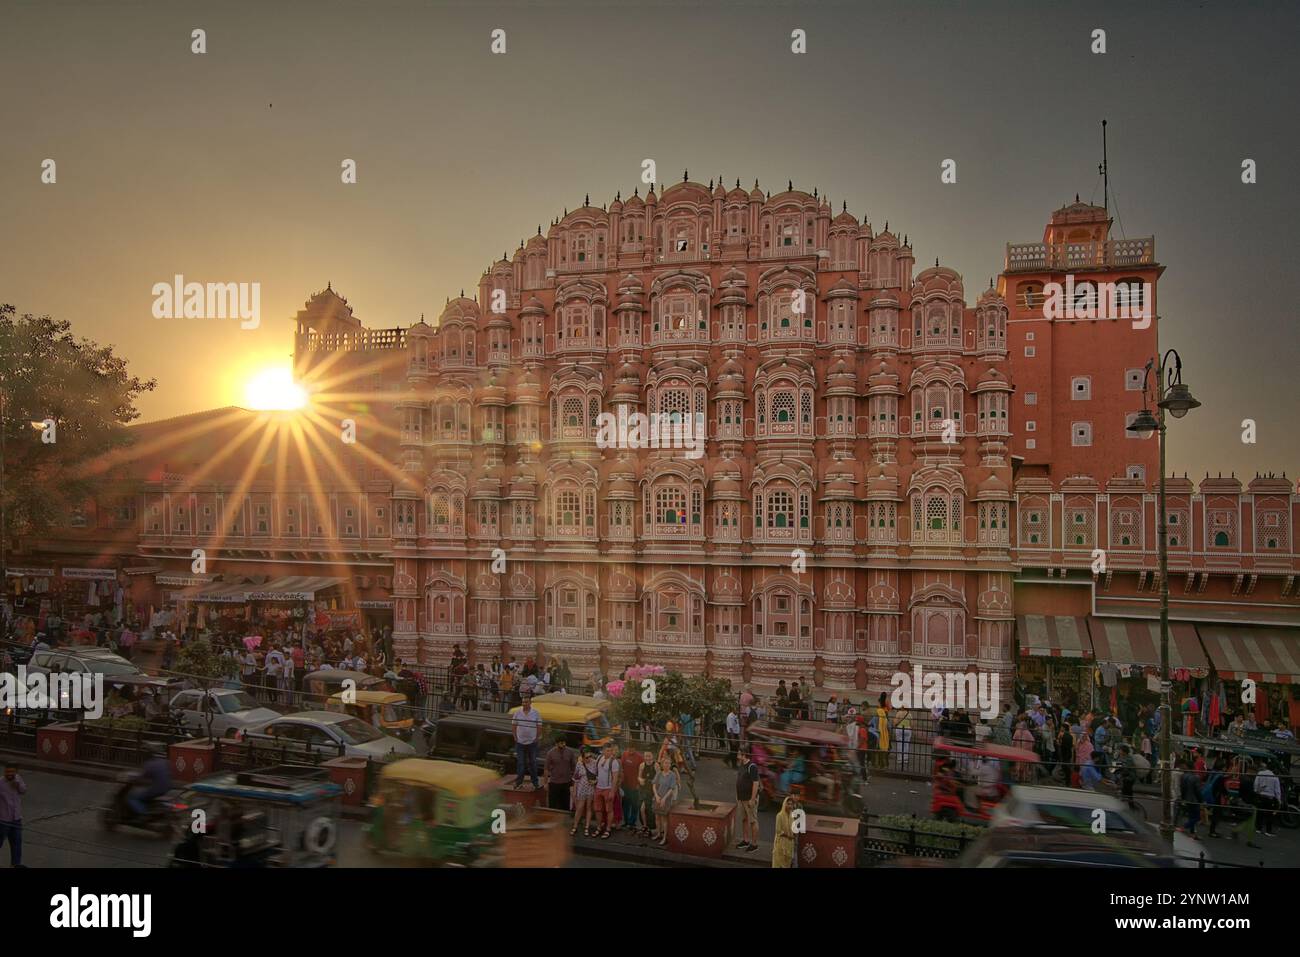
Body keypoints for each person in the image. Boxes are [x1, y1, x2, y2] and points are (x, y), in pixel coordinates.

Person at [128, 742, 173, 817]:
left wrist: (133, 778)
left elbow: (141, 777)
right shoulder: (166, 762)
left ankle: (143, 814)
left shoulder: (150, 764)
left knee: (132, 797)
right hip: (167, 789)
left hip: (155, 789)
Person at [511, 693, 543, 790]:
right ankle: (519, 782)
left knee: (533, 762)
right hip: (520, 742)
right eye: (523, 702)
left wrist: (537, 737)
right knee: (521, 763)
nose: (524, 704)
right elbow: (514, 725)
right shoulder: (517, 712)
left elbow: (539, 726)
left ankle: (535, 782)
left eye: (526, 702)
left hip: (532, 743)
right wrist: (515, 737)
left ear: (530, 703)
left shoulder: (536, 713)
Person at [593, 742, 621, 838]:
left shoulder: (614, 762)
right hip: (598, 787)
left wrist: (612, 792)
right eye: (607, 750)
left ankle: (608, 829)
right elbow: (596, 771)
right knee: (598, 809)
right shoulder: (599, 758)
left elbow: (615, 778)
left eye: (610, 750)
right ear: (603, 750)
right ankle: (599, 827)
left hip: (608, 788)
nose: (609, 752)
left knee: (609, 810)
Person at [0, 762, 25, 867]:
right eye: (7, 771)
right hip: (3, 820)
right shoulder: (0, 783)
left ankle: (15, 865)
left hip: (16, 819)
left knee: (17, 844)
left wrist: (18, 784)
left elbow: (23, 790)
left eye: (11, 772)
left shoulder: (18, 779)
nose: (9, 774)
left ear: (16, 772)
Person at [735, 748, 760, 852]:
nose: (737, 755)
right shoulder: (741, 765)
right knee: (744, 819)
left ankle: (754, 844)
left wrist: (752, 799)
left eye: (739, 753)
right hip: (741, 798)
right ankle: (746, 840)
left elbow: (756, 783)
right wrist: (737, 797)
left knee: (752, 821)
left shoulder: (752, 767)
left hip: (749, 799)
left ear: (744, 754)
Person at [651, 754, 678, 846]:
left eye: (669, 763)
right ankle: (659, 833)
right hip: (657, 797)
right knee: (657, 817)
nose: (667, 765)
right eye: (665, 763)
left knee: (664, 819)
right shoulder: (659, 773)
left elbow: (672, 788)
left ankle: (665, 837)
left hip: (666, 799)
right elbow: (654, 784)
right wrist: (656, 796)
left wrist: (664, 799)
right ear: (662, 764)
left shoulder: (672, 775)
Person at [544, 734, 575, 813]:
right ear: (556, 743)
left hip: (566, 782)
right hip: (554, 782)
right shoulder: (550, 753)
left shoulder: (570, 752)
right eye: (561, 743)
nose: (563, 745)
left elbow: (573, 768)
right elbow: (546, 769)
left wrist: (573, 783)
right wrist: (545, 783)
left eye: (564, 743)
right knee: (553, 806)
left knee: (565, 805)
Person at [571, 748, 598, 836]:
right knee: (579, 808)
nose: (589, 758)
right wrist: (574, 791)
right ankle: (575, 826)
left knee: (589, 807)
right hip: (581, 788)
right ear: (582, 757)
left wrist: (595, 781)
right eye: (586, 757)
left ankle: (587, 827)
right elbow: (576, 778)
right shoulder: (579, 764)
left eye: (590, 756)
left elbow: (598, 775)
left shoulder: (595, 763)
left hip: (590, 789)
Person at [1254, 761, 1282, 837]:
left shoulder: (1260, 773)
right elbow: (1277, 791)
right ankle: (1268, 831)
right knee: (1269, 815)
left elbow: (1256, 785)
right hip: (1270, 799)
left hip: (1261, 796)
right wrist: (1279, 801)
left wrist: (1257, 791)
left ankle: (1258, 829)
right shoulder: (1275, 777)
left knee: (1259, 813)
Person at [620, 743, 644, 831]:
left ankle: (632, 822)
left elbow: (642, 771)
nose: (630, 751)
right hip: (625, 785)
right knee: (625, 804)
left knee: (634, 805)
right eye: (629, 749)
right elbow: (621, 766)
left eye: (632, 749)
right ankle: (626, 821)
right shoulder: (624, 754)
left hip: (635, 786)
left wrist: (639, 783)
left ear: (635, 749)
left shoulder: (640, 757)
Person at [772, 796, 798, 868]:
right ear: (784, 804)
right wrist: (788, 836)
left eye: (791, 804)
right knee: (778, 863)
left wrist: (794, 836)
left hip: (789, 844)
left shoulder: (792, 816)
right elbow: (778, 830)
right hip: (780, 843)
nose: (790, 806)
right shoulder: (779, 815)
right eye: (788, 804)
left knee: (787, 864)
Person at [637, 752, 656, 837]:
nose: (647, 758)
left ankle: (651, 827)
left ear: (652, 757)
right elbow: (639, 776)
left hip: (652, 790)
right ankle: (645, 826)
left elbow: (658, 778)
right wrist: (640, 780)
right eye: (646, 756)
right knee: (642, 809)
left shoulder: (656, 766)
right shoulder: (642, 765)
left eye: (649, 756)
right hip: (644, 790)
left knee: (649, 810)